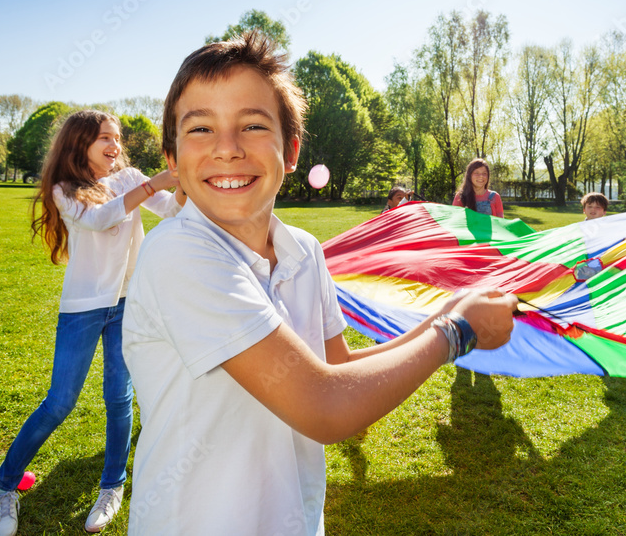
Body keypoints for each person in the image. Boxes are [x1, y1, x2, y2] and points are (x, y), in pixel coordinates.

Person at [122, 32, 516, 536]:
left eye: (253, 124)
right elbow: (328, 407)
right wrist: (456, 333)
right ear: (171, 159)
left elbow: (339, 371)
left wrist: (445, 313)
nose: (227, 149)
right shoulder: (179, 254)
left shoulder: (304, 251)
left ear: (290, 150)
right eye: (200, 128)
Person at [0, 110, 184, 536]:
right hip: (84, 307)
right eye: (104, 138)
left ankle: (111, 485)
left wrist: (183, 181)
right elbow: (98, 218)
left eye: (117, 138)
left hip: (129, 302)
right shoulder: (64, 189)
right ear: (80, 145)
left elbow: (170, 210)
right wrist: (154, 183)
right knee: (60, 402)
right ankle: (2, 485)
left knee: (118, 396)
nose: (115, 145)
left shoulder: (129, 177)